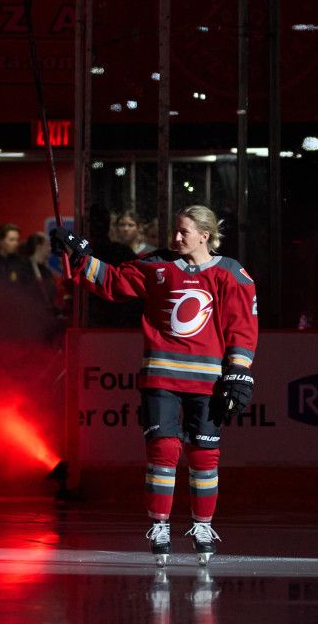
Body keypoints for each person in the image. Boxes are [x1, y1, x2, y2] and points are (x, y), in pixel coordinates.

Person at [51, 205, 258, 566]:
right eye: (175, 231)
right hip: (161, 376)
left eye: (184, 232)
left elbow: (242, 327)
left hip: (207, 381)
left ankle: (203, 526)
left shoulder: (231, 274)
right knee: (163, 454)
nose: (176, 238)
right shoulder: (157, 265)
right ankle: (159, 525)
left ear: (204, 236)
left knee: (204, 457)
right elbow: (113, 281)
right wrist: (80, 256)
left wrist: (239, 373)